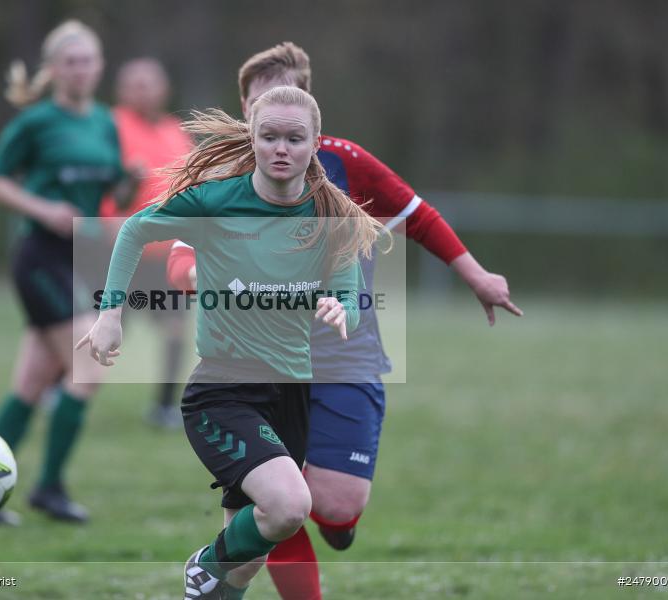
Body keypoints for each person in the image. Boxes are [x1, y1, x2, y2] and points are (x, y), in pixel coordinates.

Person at [166, 42, 522, 599]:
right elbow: (182, 251)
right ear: (246, 108)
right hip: (263, 361)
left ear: (310, 105)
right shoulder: (229, 177)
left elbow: (417, 216)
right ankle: (250, 556)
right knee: (281, 499)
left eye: (291, 115)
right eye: (262, 109)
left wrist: (475, 274)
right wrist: (196, 275)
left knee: (337, 505)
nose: (277, 127)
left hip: (344, 352)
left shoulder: (342, 163)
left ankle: (311, 513)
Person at [78, 86, 383, 599]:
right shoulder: (217, 199)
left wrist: (341, 307)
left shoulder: (333, 214)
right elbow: (134, 230)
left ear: (314, 144)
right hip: (223, 390)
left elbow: (348, 295)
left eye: (294, 138)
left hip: (292, 391)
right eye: (269, 137)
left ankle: (213, 578)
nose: (281, 148)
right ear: (254, 139)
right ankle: (205, 562)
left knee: (245, 565)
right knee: (289, 506)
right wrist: (110, 315)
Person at [0, 20, 136, 524]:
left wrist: (128, 185)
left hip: (80, 258)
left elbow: (113, 195)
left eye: (89, 60)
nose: (81, 70)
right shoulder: (36, 122)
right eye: (71, 61)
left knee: (32, 381)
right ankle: (47, 487)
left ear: (100, 66)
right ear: (53, 70)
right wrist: (42, 209)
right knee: (90, 362)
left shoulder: (107, 122)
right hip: (39, 256)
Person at [99, 57, 194, 429]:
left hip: (165, 252)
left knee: (175, 329)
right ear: (122, 90)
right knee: (93, 324)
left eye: (151, 83)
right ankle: (59, 386)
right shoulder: (110, 126)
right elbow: (102, 184)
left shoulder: (174, 130)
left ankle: (165, 407)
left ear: (164, 88)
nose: (145, 91)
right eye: (136, 84)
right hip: (121, 249)